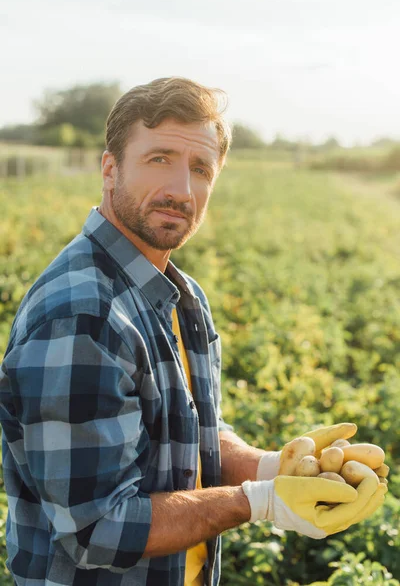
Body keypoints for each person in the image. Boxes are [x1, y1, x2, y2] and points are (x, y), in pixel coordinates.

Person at [0, 77, 387, 586]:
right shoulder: (84, 316)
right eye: (159, 158)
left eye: (200, 169)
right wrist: (258, 503)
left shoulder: (181, 297)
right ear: (110, 168)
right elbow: (97, 529)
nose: (181, 190)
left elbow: (190, 438)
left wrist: (276, 468)